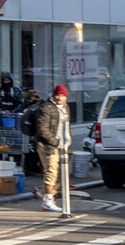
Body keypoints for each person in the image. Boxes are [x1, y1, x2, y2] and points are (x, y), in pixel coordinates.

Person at [29, 85, 71, 213]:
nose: (59, 98)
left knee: (59, 173)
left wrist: (68, 139)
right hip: (47, 145)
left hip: (61, 144)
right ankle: (47, 201)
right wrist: (55, 141)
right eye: (57, 95)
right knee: (51, 171)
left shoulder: (65, 108)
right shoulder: (46, 108)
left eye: (62, 95)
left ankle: (42, 192)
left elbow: (67, 124)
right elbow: (43, 130)